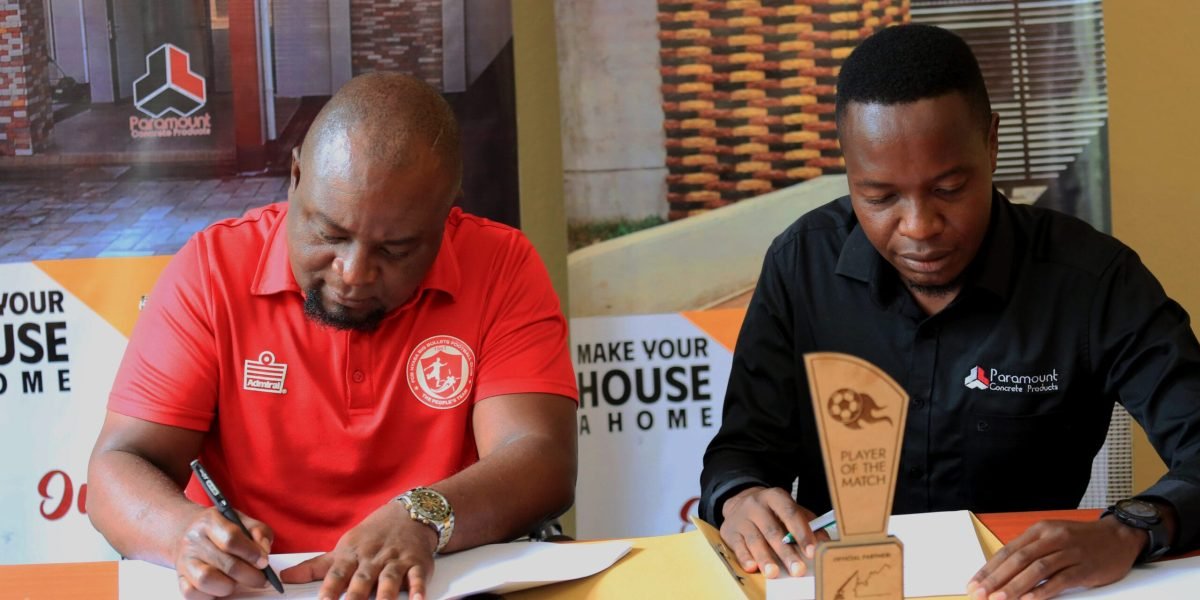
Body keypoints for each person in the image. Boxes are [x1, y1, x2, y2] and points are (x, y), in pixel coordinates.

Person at [700, 23, 1200, 600]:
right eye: (880, 196)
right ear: (848, 167)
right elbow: (741, 451)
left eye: (949, 188)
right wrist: (739, 495)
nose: (918, 227)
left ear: (991, 143)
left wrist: (1131, 527)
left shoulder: (1093, 282)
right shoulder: (801, 267)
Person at [87, 73, 578, 600]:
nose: (353, 273)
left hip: (436, 585)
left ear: (447, 211)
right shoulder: (212, 272)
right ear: (295, 176)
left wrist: (423, 516)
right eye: (330, 234)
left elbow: (539, 456)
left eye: (395, 250)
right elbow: (119, 466)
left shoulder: (500, 265)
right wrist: (182, 533)